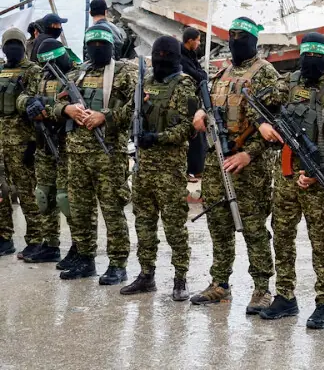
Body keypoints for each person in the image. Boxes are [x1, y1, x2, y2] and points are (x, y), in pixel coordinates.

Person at [257, 32, 324, 329]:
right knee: (283, 236)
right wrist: (263, 125)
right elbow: (255, 102)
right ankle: (285, 296)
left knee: (320, 241)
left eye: (316, 57)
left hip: (317, 177)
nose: (310, 62)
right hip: (285, 174)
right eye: (306, 56)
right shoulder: (287, 83)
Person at [190, 17, 278, 314]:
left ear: (253, 42)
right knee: (219, 225)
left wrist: (248, 154)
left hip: (248, 167)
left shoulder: (266, 74)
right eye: (232, 38)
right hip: (216, 163)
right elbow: (211, 106)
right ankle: (220, 284)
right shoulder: (222, 73)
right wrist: (201, 114)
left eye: (242, 39)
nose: (236, 43)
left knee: (253, 227)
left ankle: (262, 288)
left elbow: (275, 125)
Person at [54, 25, 136, 285]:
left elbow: (138, 108)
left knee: (112, 210)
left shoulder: (125, 73)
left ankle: (118, 263)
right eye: (93, 44)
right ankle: (85, 258)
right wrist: (67, 109)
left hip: (108, 155)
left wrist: (106, 116)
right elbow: (53, 101)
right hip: (77, 155)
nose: (98, 49)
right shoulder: (78, 73)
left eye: (103, 44)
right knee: (79, 210)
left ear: (112, 46)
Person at [121, 36, 196, 301]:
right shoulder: (146, 83)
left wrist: (158, 138)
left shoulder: (185, 85)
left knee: (175, 226)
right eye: (158, 54)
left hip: (170, 170)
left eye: (166, 54)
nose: (161, 59)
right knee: (143, 223)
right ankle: (146, 275)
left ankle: (180, 278)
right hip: (143, 169)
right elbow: (127, 113)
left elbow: (188, 127)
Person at [20, 38, 79, 265]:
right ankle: (50, 243)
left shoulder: (75, 76)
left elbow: (77, 106)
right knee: (44, 195)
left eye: (53, 61)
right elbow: (23, 95)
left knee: (67, 199)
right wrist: (28, 103)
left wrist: (49, 110)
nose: (50, 67)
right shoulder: (42, 76)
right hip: (43, 143)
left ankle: (78, 245)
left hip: (67, 146)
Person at [0, 28, 45, 258]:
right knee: (1, 192)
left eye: (16, 44)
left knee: (27, 193)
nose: (12, 49)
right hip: (1, 142)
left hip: (22, 143)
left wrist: (32, 143)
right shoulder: (0, 70)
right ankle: (4, 237)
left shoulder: (33, 71)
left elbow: (37, 108)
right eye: (9, 44)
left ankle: (36, 239)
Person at [180, 27, 208, 181]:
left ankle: (196, 169)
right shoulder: (181, 58)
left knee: (198, 136)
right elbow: (197, 75)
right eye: (197, 40)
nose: (199, 43)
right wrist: (202, 76)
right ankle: (188, 171)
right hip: (186, 102)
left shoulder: (190, 55)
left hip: (195, 101)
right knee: (190, 136)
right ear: (190, 41)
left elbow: (201, 74)